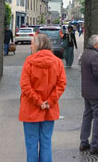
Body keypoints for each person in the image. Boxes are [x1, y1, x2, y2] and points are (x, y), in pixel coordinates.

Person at [19, 34, 67, 162]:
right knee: (46, 142)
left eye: (32, 43)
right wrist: (49, 101)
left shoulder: (29, 61)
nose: (30, 45)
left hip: (31, 108)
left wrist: (38, 102)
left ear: (39, 45)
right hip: (49, 109)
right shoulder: (57, 62)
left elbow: (25, 86)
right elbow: (61, 84)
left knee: (31, 144)